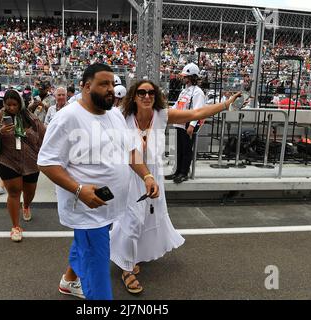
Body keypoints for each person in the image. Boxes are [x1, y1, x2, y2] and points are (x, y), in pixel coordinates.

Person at [37, 63, 159, 300]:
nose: (110, 89)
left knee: (85, 247)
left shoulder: (114, 115)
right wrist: (79, 189)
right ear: (85, 86)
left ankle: (69, 280)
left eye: (112, 84)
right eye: (103, 84)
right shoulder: (68, 118)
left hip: (110, 206)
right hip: (87, 210)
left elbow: (131, 150)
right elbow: (46, 162)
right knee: (98, 276)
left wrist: (147, 175)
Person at [110, 80, 242, 294]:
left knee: (146, 218)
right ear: (133, 96)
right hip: (131, 174)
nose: (146, 96)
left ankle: (128, 254)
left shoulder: (162, 115)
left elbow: (195, 113)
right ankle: (126, 269)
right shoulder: (121, 117)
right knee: (132, 219)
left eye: (151, 92)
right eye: (141, 92)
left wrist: (226, 104)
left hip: (153, 175)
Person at [0, 89, 46, 241]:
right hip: (8, 161)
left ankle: (26, 206)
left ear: (20, 103)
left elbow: (44, 134)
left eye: (14, 105)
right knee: (13, 193)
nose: (12, 108)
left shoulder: (29, 116)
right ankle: (15, 227)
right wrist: (0, 131)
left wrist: (39, 148)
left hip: (31, 162)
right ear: (4, 104)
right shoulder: (0, 116)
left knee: (29, 192)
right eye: (9, 105)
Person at [165, 63, 206, 184]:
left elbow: (198, 111)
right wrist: (167, 111)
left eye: (185, 76)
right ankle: (177, 171)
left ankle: (184, 173)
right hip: (179, 124)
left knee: (186, 150)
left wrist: (192, 125)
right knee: (178, 149)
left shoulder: (198, 92)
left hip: (188, 125)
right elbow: (177, 105)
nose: (183, 78)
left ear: (192, 77)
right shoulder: (184, 91)